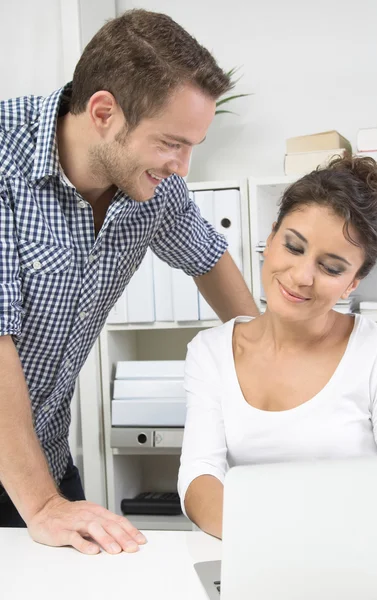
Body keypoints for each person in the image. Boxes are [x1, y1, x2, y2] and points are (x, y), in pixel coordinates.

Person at [0, 9, 259, 551]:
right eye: (171, 142)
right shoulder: (6, 162)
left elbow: (209, 258)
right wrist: (43, 506)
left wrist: (275, 367)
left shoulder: (151, 186)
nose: (183, 166)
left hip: (41, 458)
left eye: (193, 145)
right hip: (28, 484)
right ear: (102, 112)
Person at [178, 155, 377, 539]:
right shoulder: (210, 352)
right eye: (294, 247)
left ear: (352, 283)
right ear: (271, 237)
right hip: (247, 554)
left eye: (331, 268)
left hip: (354, 558)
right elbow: (200, 477)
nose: (301, 277)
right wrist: (271, 545)